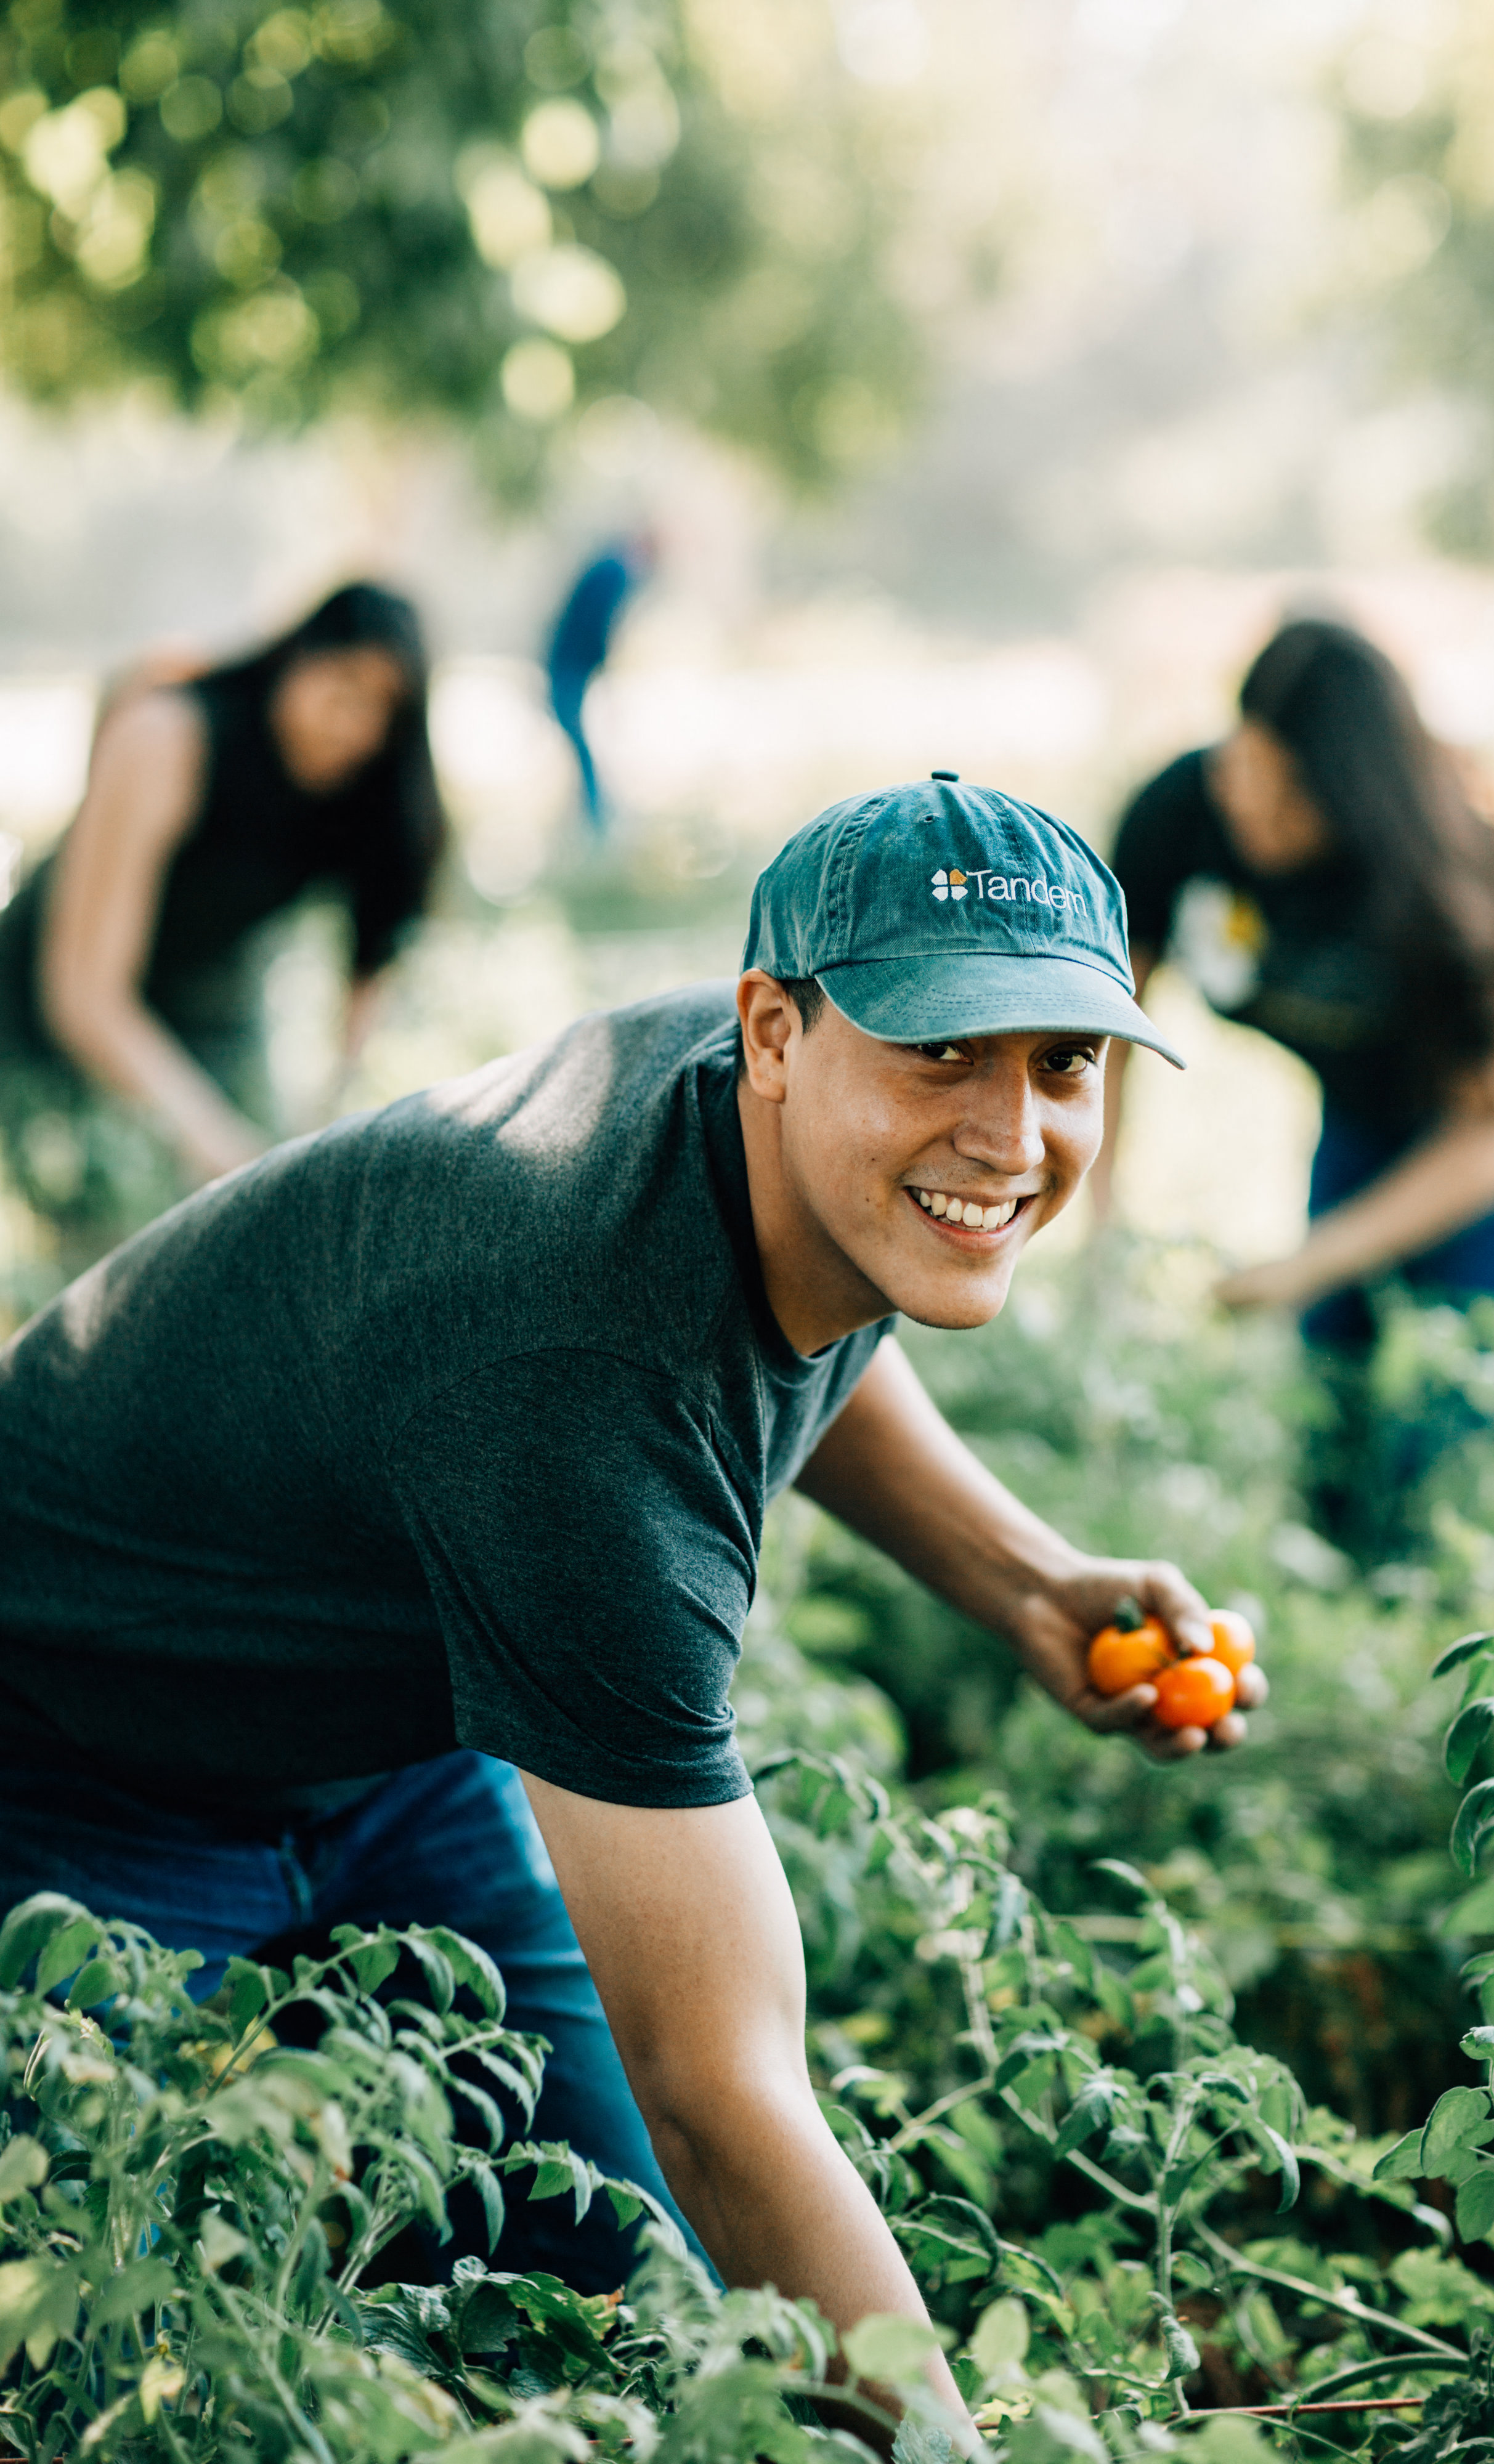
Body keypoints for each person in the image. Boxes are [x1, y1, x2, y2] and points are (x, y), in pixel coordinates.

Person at [0, 774, 1265, 2444]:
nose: (1010, 1136)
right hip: (69, 1758)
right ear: (773, 1031)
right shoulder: (570, 1394)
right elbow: (719, 2091)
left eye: (1062, 1060)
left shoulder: (784, 1126)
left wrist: (1027, 1582)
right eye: (942, 1052)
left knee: (621, 2305)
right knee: (119, 2371)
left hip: (395, 1740)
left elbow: (805, 1326)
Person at [1097, 618, 1494, 1539]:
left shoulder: (1441, 870)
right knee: (1333, 1449)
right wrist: (1095, 1219)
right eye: (1244, 769)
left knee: (1441, 1444)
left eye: (1292, 796)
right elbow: (1106, 1025)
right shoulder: (1177, 817)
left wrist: (1306, 1263)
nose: (1252, 812)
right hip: (1366, 1122)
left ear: (1351, 795)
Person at [0, 583, 445, 1270]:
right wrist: (215, 1142)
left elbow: (368, 980)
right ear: (296, 655)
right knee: (114, 1248)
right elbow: (82, 995)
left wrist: (326, 1129)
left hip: (204, 1010)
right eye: (344, 683)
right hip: (39, 1020)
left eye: (383, 709)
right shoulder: (168, 735)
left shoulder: (371, 791)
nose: (353, 723)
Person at [542, 532, 654, 828]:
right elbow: (599, 628)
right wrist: (606, 676)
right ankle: (596, 820)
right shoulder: (616, 572)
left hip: (567, 665)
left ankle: (591, 816)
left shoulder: (608, 566)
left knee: (578, 744)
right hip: (569, 667)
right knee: (580, 745)